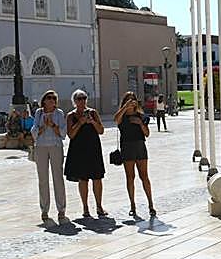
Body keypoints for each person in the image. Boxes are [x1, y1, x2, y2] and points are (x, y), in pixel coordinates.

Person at [65, 89, 107, 219]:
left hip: (93, 147)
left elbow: (101, 131)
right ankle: (85, 207)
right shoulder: (71, 116)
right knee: (83, 179)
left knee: (97, 177)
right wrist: (80, 123)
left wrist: (92, 122)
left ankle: (99, 206)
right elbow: (70, 134)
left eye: (84, 98)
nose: (82, 101)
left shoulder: (93, 113)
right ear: (75, 101)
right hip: (79, 149)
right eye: (79, 99)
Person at [114, 91, 156, 220]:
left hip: (140, 146)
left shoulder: (141, 116)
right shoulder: (122, 116)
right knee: (130, 177)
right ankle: (132, 204)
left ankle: (151, 204)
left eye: (133, 100)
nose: (131, 102)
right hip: (127, 147)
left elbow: (147, 134)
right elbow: (116, 120)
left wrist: (140, 123)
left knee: (144, 176)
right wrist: (124, 108)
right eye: (128, 100)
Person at [31, 90, 69, 224]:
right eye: (49, 98)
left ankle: (61, 208)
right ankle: (44, 209)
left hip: (55, 146)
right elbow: (34, 131)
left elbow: (63, 133)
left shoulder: (59, 113)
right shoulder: (38, 113)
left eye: (54, 98)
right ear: (44, 100)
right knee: (43, 179)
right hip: (41, 147)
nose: (52, 100)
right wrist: (43, 126)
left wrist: (53, 125)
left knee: (57, 177)